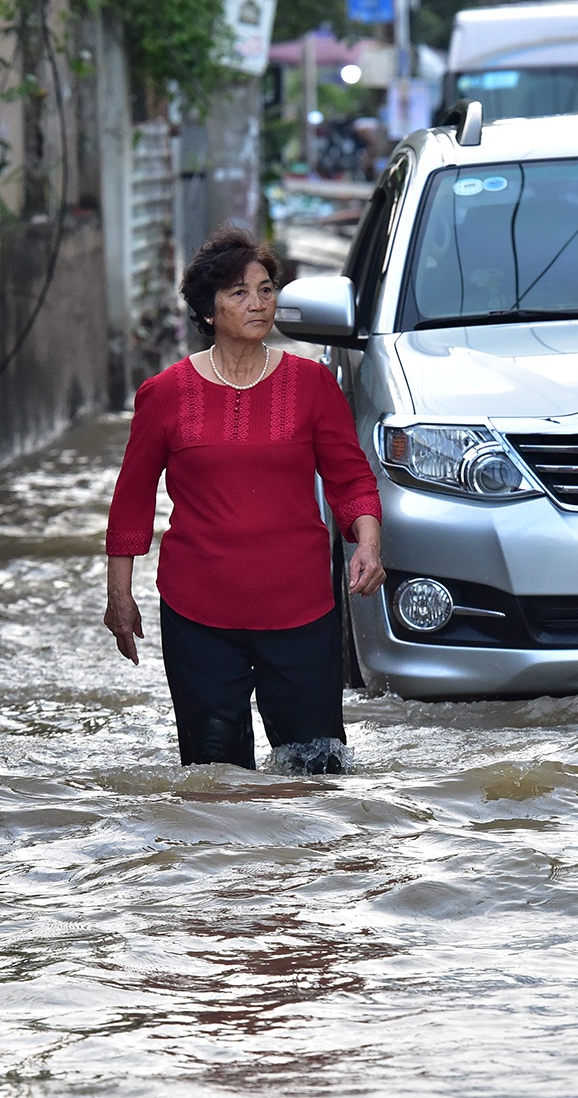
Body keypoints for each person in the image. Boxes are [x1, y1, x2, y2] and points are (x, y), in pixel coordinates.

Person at [104, 227, 385, 774]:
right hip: (199, 613)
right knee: (215, 779)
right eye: (239, 292)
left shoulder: (312, 385)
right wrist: (120, 597)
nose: (258, 303)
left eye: (266, 288)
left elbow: (350, 478)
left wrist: (368, 543)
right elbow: (131, 500)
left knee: (316, 770)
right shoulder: (163, 395)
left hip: (303, 608)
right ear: (207, 310)